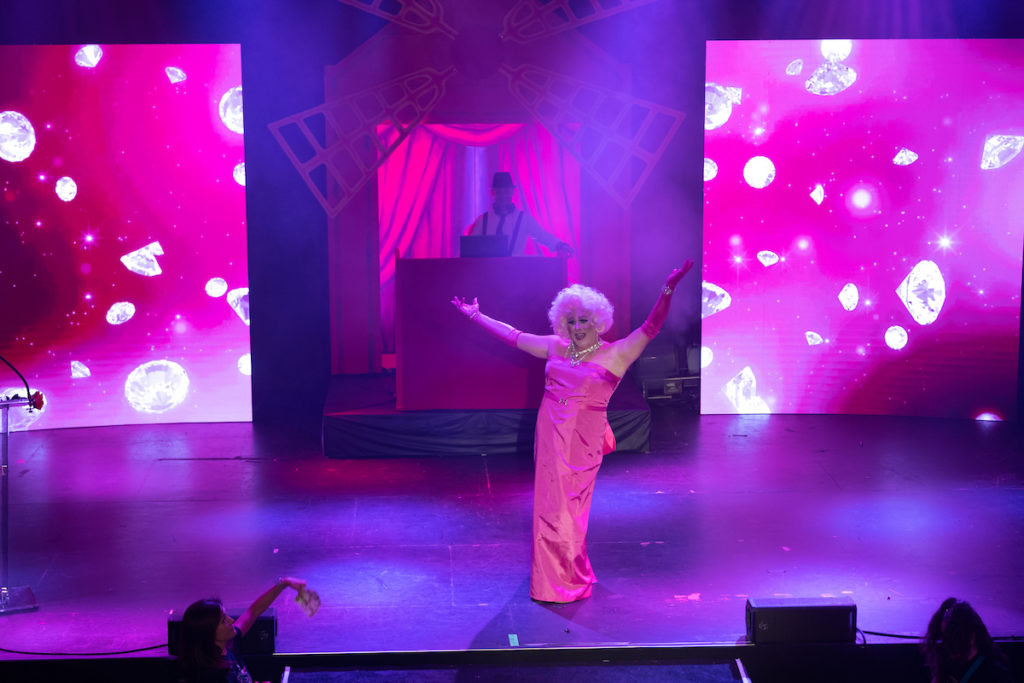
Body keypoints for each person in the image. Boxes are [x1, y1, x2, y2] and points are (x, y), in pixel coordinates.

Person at [451, 261, 694, 602]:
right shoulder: (555, 346)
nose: (577, 327)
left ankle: (566, 578)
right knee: (549, 507)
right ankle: (555, 576)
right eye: (571, 320)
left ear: (597, 320)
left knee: (569, 510)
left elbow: (651, 327)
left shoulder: (616, 353)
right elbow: (514, 336)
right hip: (549, 433)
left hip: (581, 440)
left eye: (584, 320)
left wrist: (668, 287)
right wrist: (477, 316)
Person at [178, 577, 306, 683]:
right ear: (208, 632)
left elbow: (253, 611)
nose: (231, 620)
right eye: (223, 620)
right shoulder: (211, 675)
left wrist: (283, 583)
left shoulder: (229, 645)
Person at [465, 171, 573, 257]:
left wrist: (560, 245)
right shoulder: (483, 220)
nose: (503, 196)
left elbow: (542, 235)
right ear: (493, 193)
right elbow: (469, 248)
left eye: (506, 191)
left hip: (514, 275)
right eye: (499, 192)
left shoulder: (524, 220)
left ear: (512, 192)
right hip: (487, 276)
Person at [921, 598, 1013, 683]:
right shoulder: (947, 669)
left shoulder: (995, 673)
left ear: (971, 635)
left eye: (952, 636)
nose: (946, 644)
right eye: (943, 638)